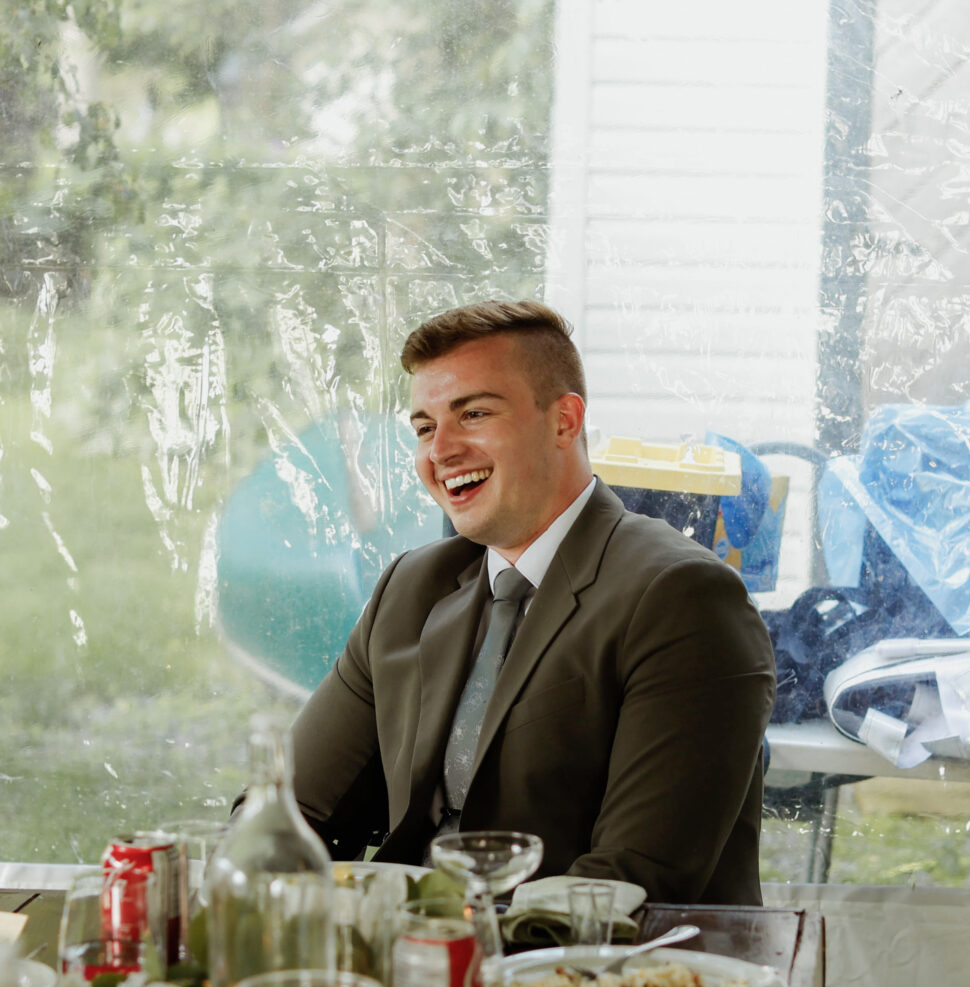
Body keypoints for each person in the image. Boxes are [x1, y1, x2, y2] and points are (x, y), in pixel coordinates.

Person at [289, 299, 776, 904]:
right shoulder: (409, 589)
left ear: (564, 422)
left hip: (605, 979)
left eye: (473, 413)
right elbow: (290, 814)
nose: (440, 450)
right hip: (414, 960)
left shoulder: (683, 598)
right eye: (423, 427)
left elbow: (631, 883)